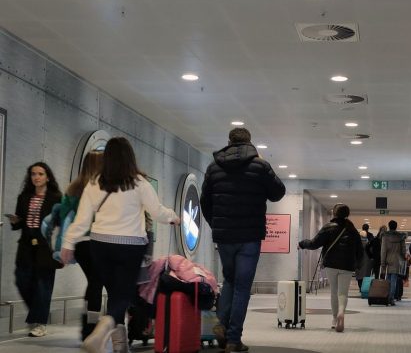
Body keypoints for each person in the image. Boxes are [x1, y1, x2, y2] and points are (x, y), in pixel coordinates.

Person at [61, 137, 179, 353]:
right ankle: (104, 327)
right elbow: (157, 212)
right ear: (130, 157)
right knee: (123, 294)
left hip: (99, 245)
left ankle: (120, 344)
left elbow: (82, 220)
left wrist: (68, 243)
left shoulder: (94, 183)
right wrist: (173, 217)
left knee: (115, 293)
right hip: (130, 246)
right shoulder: (139, 183)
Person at [200, 127, 285, 353]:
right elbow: (278, 192)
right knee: (242, 287)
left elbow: (205, 201)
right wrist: (264, 165)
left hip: (225, 236)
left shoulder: (214, 167)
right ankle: (233, 338)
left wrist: (216, 224)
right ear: (249, 143)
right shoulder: (260, 166)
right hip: (250, 236)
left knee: (229, 280)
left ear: (229, 142)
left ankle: (221, 324)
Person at [47, 151, 104, 339]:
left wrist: (63, 245)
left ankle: (88, 326)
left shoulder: (73, 189)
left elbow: (65, 218)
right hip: (97, 241)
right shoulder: (101, 188)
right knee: (97, 283)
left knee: (93, 282)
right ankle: (91, 327)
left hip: (79, 245)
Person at [7, 162, 62, 337]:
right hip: (25, 243)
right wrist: (15, 222)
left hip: (45, 245)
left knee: (43, 284)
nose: (36, 177)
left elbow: (60, 221)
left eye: (40, 174)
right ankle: (38, 313)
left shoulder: (56, 197)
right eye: (33, 174)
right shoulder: (24, 197)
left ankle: (40, 323)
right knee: (21, 280)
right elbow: (20, 223)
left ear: (48, 177)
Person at [298, 203, 363, 332]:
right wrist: (357, 265)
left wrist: (302, 244)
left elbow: (314, 243)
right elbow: (360, 251)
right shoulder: (352, 230)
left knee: (334, 291)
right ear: (347, 214)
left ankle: (334, 319)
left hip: (331, 264)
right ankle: (341, 312)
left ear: (334, 213)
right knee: (343, 292)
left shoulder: (328, 227)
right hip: (347, 265)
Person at [380, 220, 408, 306]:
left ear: (389, 226)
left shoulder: (385, 236)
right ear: (396, 227)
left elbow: (383, 251)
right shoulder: (401, 237)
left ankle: (388, 297)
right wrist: (404, 258)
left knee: (388, 280)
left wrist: (383, 263)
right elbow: (403, 250)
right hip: (397, 261)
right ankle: (391, 298)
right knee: (394, 281)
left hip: (388, 260)